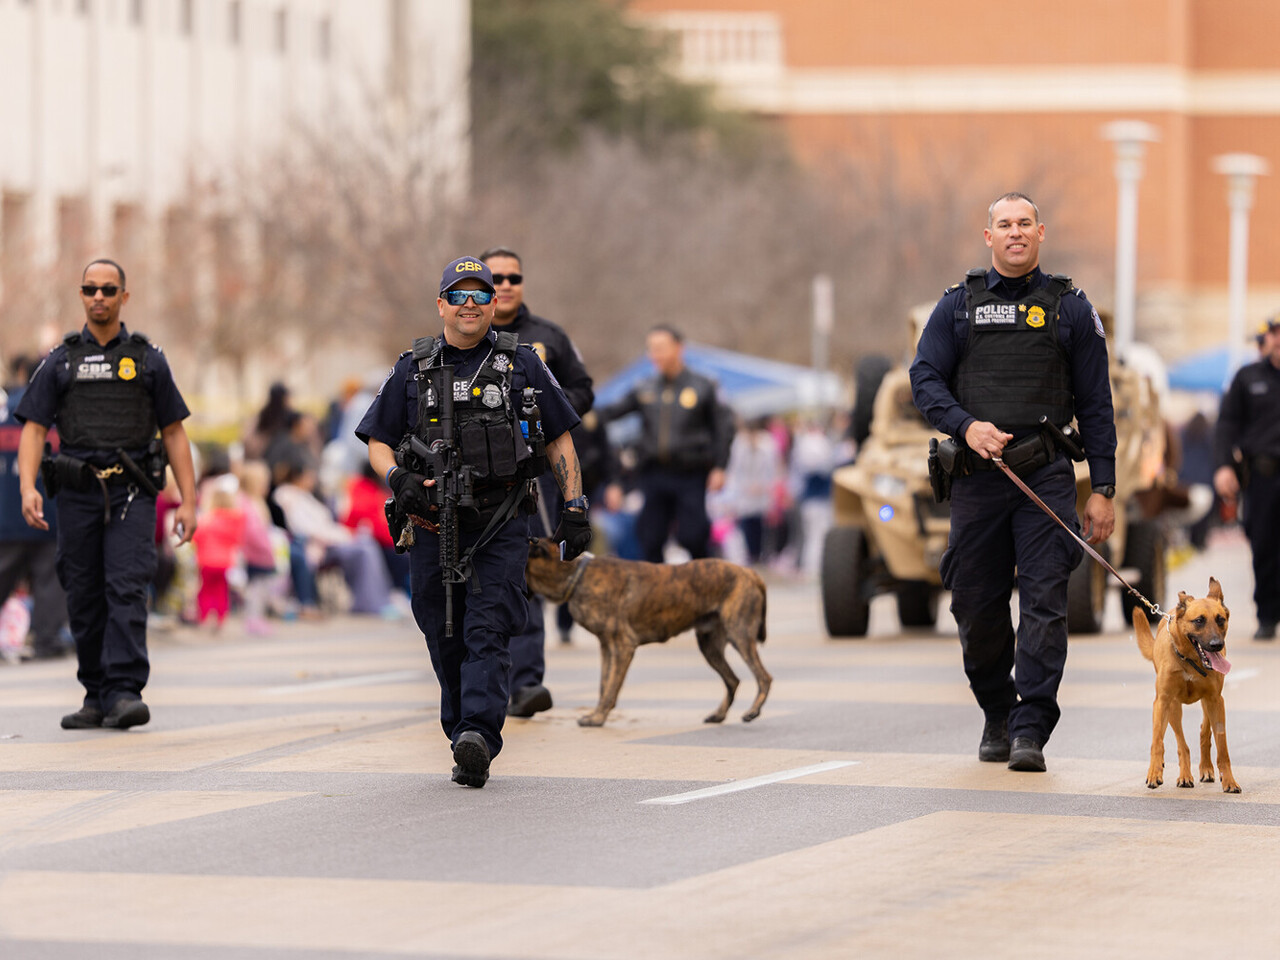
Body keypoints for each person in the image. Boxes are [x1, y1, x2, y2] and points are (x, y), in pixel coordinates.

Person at [357, 255, 589, 788]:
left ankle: (478, 735)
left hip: (501, 519)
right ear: (440, 304)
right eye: (458, 294)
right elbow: (377, 440)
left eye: (481, 294)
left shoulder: (523, 362)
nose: (470, 303)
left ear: (494, 305)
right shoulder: (412, 366)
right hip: (432, 523)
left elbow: (557, 436)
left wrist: (574, 506)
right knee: (443, 630)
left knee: (489, 627)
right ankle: (463, 728)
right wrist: (398, 478)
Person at [909, 192, 1116, 773]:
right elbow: (924, 378)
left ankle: (1030, 727)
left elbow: (1098, 404)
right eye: (1005, 225)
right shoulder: (956, 306)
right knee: (976, 607)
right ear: (989, 236)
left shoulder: (1070, 307)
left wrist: (1103, 489)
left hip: (1045, 479)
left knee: (1046, 602)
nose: (1015, 232)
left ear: (1041, 232)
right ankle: (997, 712)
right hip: (977, 480)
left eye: (1025, 223)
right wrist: (966, 425)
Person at [16, 258, 198, 729]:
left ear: (124, 297)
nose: (99, 296)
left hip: (132, 491)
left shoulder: (147, 359)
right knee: (83, 592)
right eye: (90, 289)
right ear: (81, 295)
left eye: (108, 289)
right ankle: (95, 694)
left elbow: (174, 432)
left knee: (125, 586)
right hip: (75, 493)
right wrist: (27, 489)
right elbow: (34, 430)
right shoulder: (60, 360)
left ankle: (123, 691)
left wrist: (190, 501)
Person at [479, 246, 594, 716]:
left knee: (528, 573)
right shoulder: (461, 339)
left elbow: (583, 390)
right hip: (474, 482)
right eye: (496, 277)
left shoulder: (547, 338)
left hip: (534, 478)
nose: (505, 285)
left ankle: (526, 684)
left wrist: (542, 409)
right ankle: (481, 684)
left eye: (514, 277)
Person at [599, 324, 736, 563]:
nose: (655, 355)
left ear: (678, 348)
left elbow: (724, 428)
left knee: (693, 536)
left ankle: (706, 587)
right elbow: (611, 412)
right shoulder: (645, 387)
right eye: (651, 349)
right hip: (654, 473)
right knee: (650, 538)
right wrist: (577, 410)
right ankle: (657, 596)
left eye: (661, 348)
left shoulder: (704, 386)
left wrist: (720, 466)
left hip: (691, 474)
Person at [1213, 314, 1280, 640]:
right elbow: (1226, 425)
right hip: (1264, 477)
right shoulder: (1247, 377)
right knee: (1264, 545)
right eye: (1275, 333)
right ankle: (1268, 615)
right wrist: (1224, 466)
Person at [0, 355, 69, 660]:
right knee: (50, 581)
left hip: (5, 517)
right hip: (50, 514)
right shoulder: (62, 412)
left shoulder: (4, 410)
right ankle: (47, 640)